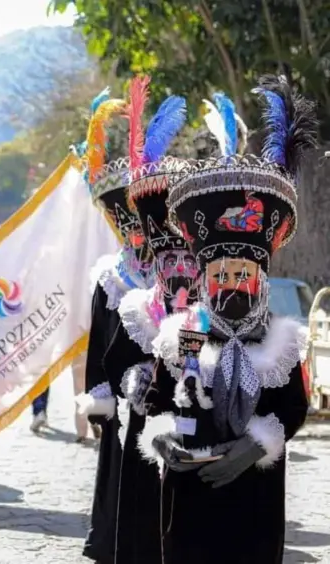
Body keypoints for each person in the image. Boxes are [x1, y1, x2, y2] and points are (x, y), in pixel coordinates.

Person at [138, 76, 315, 564]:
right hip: (190, 490)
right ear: (204, 275)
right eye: (222, 272)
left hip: (254, 494)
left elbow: (293, 409)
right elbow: (158, 397)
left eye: (243, 271)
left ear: (259, 277)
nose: (233, 280)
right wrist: (163, 434)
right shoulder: (186, 333)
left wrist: (255, 446)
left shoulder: (279, 341)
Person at [105, 89, 196, 563]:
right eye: (171, 260)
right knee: (144, 518)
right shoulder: (140, 308)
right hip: (148, 423)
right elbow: (115, 358)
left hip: (201, 428)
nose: (180, 269)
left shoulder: (211, 313)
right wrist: (138, 381)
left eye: (187, 260)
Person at [71, 87, 155, 563]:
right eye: (130, 226)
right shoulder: (110, 277)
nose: (139, 235)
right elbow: (98, 340)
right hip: (120, 397)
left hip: (163, 394)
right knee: (118, 474)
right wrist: (99, 400)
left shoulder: (173, 275)